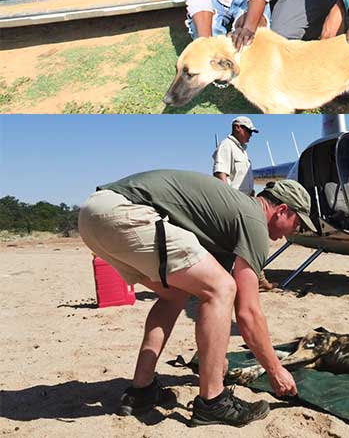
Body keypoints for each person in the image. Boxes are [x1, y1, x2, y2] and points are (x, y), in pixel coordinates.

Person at [78, 171, 316, 426]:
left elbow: (215, 303)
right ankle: (213, 401)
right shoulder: (254, 220)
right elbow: (247, 312)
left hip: (92, 216)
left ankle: (141, 390)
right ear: (281, 210)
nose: (293, 232)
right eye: (298, 223)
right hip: (125, 212)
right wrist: (275, 370)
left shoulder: (231, 215)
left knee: (175, 295)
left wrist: (217, 356)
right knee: (222, 288)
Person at [212, 116, 276, 291]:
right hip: (234, 203)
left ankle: (257, 278)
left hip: (246, 200)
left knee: (249, 242)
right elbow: (221, 174)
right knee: (236, 244)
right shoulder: (227, 146)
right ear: (237, 127)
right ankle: (219, 283)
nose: (250, 135)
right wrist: (229, 201)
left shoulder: (242, 150)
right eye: (248, 131)